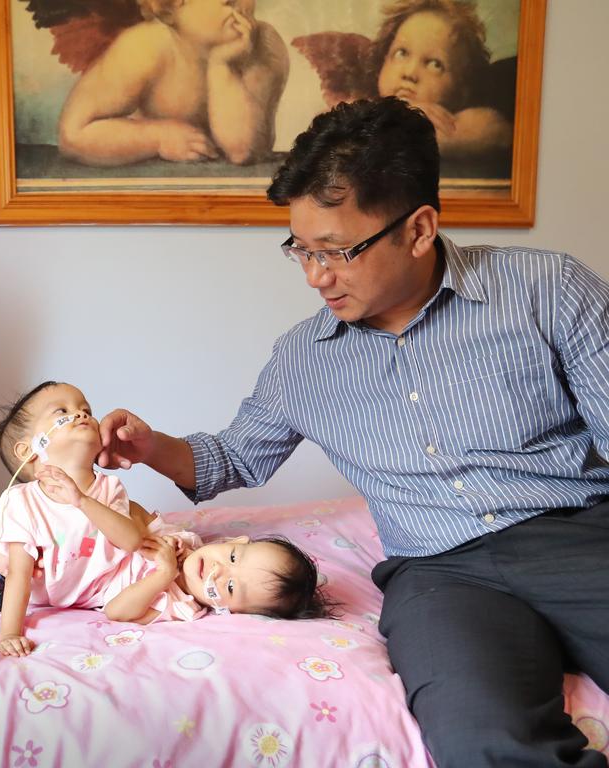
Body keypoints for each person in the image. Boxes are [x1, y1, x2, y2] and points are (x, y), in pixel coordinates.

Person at [98, 97, 609, 767]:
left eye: (337, 252)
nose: (316, 277)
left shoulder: (546, 289)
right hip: (442, 575)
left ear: (419, 228)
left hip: (576, 535)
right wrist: (149, 445)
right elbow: (230, 459)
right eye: (301, 251)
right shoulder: (304, 357)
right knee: (480, 739)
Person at [0, 381, 330, 658]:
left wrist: (162, 572)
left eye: (231, 588)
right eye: (64, 413)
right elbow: (19, 576)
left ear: (226, 610)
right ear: (233, 543)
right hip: (19, 574)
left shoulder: (179, 600)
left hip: (73, 574)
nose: (80, 414)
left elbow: (121, 588)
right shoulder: (29, 500)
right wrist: (8, 631)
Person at [57, 0, 289, 166]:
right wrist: (158, 138)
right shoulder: (145, 46)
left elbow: (243, 151)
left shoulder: (263, 46)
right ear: (170, 10)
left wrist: (222, 66)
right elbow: (73, 134)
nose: (238, 4)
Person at [373, 0, 512, 160]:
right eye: (401, 53)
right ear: (383, 60)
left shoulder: (460, 124)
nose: (410, 72)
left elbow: (497, 131)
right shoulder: (360, 104)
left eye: (434, 64)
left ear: (461, 92)